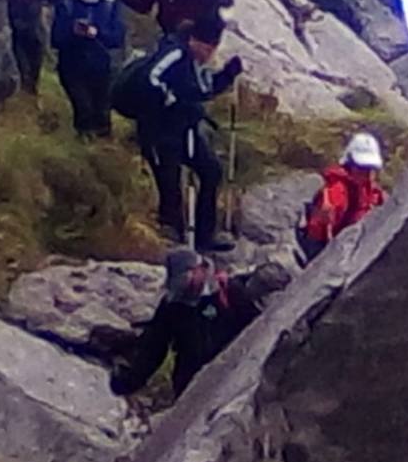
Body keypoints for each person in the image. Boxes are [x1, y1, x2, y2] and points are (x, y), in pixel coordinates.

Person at [110, 249, 290, 399]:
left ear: (200, 269)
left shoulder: (232, 292)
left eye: (187, 277)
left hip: (229, 380)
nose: (184, 286)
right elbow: (153, 348)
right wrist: (129, 381)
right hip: (188, 385)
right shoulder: (172, 305)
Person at [138, 14, 243, 251]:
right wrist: (171, 99)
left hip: (184, 128)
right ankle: (172, 238)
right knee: (169, 180)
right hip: (158, 128)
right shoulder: (175, 52)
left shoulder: (196, 62)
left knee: (211, 170)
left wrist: (227, 75)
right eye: (207, 47)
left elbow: (203, 90)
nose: (209, 53)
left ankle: (204, 236)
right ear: (195, 40)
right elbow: (151, 78)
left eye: (213, 48)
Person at [51, 0, 125, 138]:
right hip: (72, 66)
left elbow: (117, 38)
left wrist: (97, 33)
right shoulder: (67, 4)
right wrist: (73, 32)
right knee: (83, 108)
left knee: (102, 111)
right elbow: (55, 39)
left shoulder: (111, 5)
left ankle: (102, 150)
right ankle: (84, 142)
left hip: (102, 67)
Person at [295, 132, 387, 265]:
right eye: (362, 168)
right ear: (350, 165)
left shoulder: (374, 193)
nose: (366, 174)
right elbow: (317, 242)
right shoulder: (336, 192)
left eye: (370, 168)